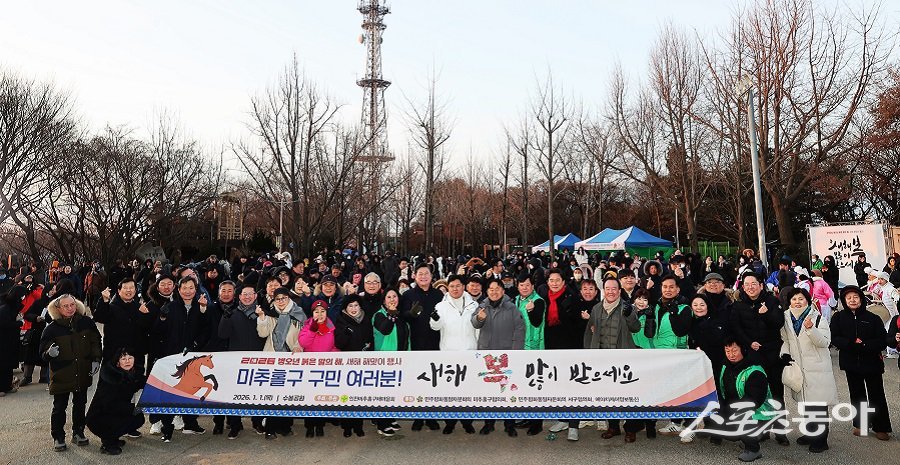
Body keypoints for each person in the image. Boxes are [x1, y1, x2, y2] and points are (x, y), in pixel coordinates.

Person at [729, 272, 788, 445]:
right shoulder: (739, 305)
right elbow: (736, 327)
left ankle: (780, 431)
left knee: (776, 393)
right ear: (743, 287)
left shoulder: (772, 301)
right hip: (752, 355)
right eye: (747, 284)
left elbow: (778, 323)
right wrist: (749, 342)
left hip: (772, 353)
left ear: (761, 285)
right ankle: (762, 430)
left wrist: (766, 314)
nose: (750, 287)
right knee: (758, 392)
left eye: (753, 283)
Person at [39, 294, 102, 452]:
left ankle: (78, 432)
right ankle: (58, 437)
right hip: (61, 373)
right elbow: (42, 352)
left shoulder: (86, 322)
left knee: (80, 403)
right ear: (58, 308)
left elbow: (95, 341)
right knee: (59, 406)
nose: (70, 308)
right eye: (65, 306)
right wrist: (48, 353)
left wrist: (96, 359)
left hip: (82, 370)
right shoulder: (51, 328)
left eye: (72, 305)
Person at [778, 287, 838, 453]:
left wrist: (811, 329)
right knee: (806, 403)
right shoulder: (786, 318)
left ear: (807, 300)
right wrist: (785, 354)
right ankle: (811, 433)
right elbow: (785, 340)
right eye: (794, 299)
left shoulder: (817, 318)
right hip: (799, 366)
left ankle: (821, 440)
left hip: (816, 367)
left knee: (818, 405)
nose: (797, 302)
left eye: (801, 299)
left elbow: (825, 342)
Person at [151, 277, 211, 441]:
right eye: (184, 288)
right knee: (170, 391)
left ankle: (190, 423)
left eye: (191, 288)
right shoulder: (171, 307)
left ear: (196, 289)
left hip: (192, 356)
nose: (187, 291)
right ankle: (167, 427)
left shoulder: (201, 306)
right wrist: (162, 318)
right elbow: (157, 331)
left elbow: (206, 329)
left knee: (191, 390)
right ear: (179, 290)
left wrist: (195, 344)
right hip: (172, 356)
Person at [584, 278, 642, 443]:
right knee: (608, 395)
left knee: (628, 395)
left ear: (619, 290)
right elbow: (590, 331)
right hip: (603, 360)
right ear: (604, 290)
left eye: (614, 288)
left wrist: (630, 315)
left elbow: (636, 327)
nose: (611, 292)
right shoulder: (596, 308)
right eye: (607, 288)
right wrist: (589, 353)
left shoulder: (627, 307)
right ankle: (613, 426)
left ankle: (630, 428)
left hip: (624, 360)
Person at [830, 285, 892, 441]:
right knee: (857, 394)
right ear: (844, 300)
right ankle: (861, 424)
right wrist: (850, 344)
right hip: (851, 362)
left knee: (876, 394)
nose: (852, 300)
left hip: (872, 362)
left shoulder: (873, 318)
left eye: (856, 297)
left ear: (861, 299)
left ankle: (881, 427)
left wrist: (864, 345)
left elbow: (882, 340)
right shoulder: (838, 317)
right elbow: (834, 337)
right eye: (848, 297)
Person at [472, 279, 525, 437]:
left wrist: (515, 353)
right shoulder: (482, 306)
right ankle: (489, 423)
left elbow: (520, 330)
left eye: (497, 289)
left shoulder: (512, 308)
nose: (494, 292)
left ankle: (510, 424)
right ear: (487, 291)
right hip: (487, 355)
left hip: (505, 355)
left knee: (507, 390)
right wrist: (480, 318)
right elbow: (475, 323)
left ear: (503, 291)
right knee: (488, 391)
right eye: (491, 289)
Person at [709, 337, 774, 462]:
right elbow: (722, 392)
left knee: (742, 417)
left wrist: (730, 413)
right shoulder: (725, 366)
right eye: (727, 351)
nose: (731, 355)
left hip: (759, 412)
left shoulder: (755, 371)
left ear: (743, 350)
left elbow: (753, 401)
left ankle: (753, 449)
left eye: (734, 351)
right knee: (714, 412)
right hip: (736, 407)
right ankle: (746, 436)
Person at [217, 284, 267, 438]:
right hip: (236, 361)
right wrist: (225, 317)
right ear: (239, 297)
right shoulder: (232, 313)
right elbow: (222, 334)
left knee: (257, 394)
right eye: (244, 294)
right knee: (235, 394)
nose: (247, 297)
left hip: (257, 360)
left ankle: (257, 422)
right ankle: (235, 425)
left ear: (255, 296)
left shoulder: (261, 313)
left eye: (250, 294)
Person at [256, 287, 306, 439]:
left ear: (289, 298)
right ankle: (270, 428)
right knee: (273, 395)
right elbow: (262, 333)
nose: (281, 301)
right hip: (272, 359)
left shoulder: (299, 314)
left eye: (284, 298)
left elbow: (304, 335)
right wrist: (262, 318)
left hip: (291, 359)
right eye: (278, 299)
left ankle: (285, 426)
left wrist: (298, 346)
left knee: (288, 394)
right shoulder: (271, 314)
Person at [399, 263, 443, 431]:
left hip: (435, 342)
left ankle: (431, 416)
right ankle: (418, 416)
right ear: (414, 276)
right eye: (420, 274)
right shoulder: (408, 295)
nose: (423, 277)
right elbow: (402, 316)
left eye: (426, 274)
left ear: (431, 277)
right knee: (417, 380)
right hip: (415, 343)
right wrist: (410, 314)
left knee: (433, 380)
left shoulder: (438, 294)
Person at [85, 348, 146, 455]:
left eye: (130, 358)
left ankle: (113, 438)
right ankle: (107, 443)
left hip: (113, 412)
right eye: (123, 359)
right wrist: (133, 408)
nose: (127, 361)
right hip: (98, 418)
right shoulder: (110, 379)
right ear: (118, 362)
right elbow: (110, 405)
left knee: (138, 417)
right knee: (134, 416)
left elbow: (142, 382)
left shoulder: (131, 373)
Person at [93, 278, 153, 373]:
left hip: (135, 356)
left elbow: (145, 330)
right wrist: (104, 301)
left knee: (134, 380)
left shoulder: (140, 308)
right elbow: (99, 317)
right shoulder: (111, 307)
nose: (128, 290)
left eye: (131, 288)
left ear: (135, 290)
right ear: (119, 291)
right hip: (114, 355)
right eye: (125, 288)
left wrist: (144, 315)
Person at [298, 300, 338, 437]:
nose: (319, 315)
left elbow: (334, 345)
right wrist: (313, 330)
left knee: (321, 398)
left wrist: (334, 356)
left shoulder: (331, 326)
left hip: (325, 368)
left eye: (322, 311)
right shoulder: (308, 326)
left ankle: (320, 425)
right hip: (310, 368)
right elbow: (303, 342)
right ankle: (309, 426)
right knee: (309, 398)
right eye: (316, 312)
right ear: (312, 313)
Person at [334, 294, 373, 438]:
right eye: (350, 306)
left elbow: (370, 339)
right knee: (346, 397)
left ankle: (358, 425)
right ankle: (347, 426)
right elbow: (339, 343)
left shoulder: (366, 319)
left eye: (356, 305)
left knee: (359, 396)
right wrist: (346, 333)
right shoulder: (341, 320)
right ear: (346, 308)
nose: (353, 308)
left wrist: (368, 347)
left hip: (362, 364)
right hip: (346, 365)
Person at [372, 288, 408, 437]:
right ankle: (382, 422)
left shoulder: (400, 315)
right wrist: (391, 315)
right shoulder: (379, 315)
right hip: (384, 360)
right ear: (384, 300)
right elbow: (385, 329)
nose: (392, 299)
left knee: (394, 391)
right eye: (389, 297)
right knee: (383, 392)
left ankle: (390, 417)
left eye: (394, 296)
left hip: (400, 359)